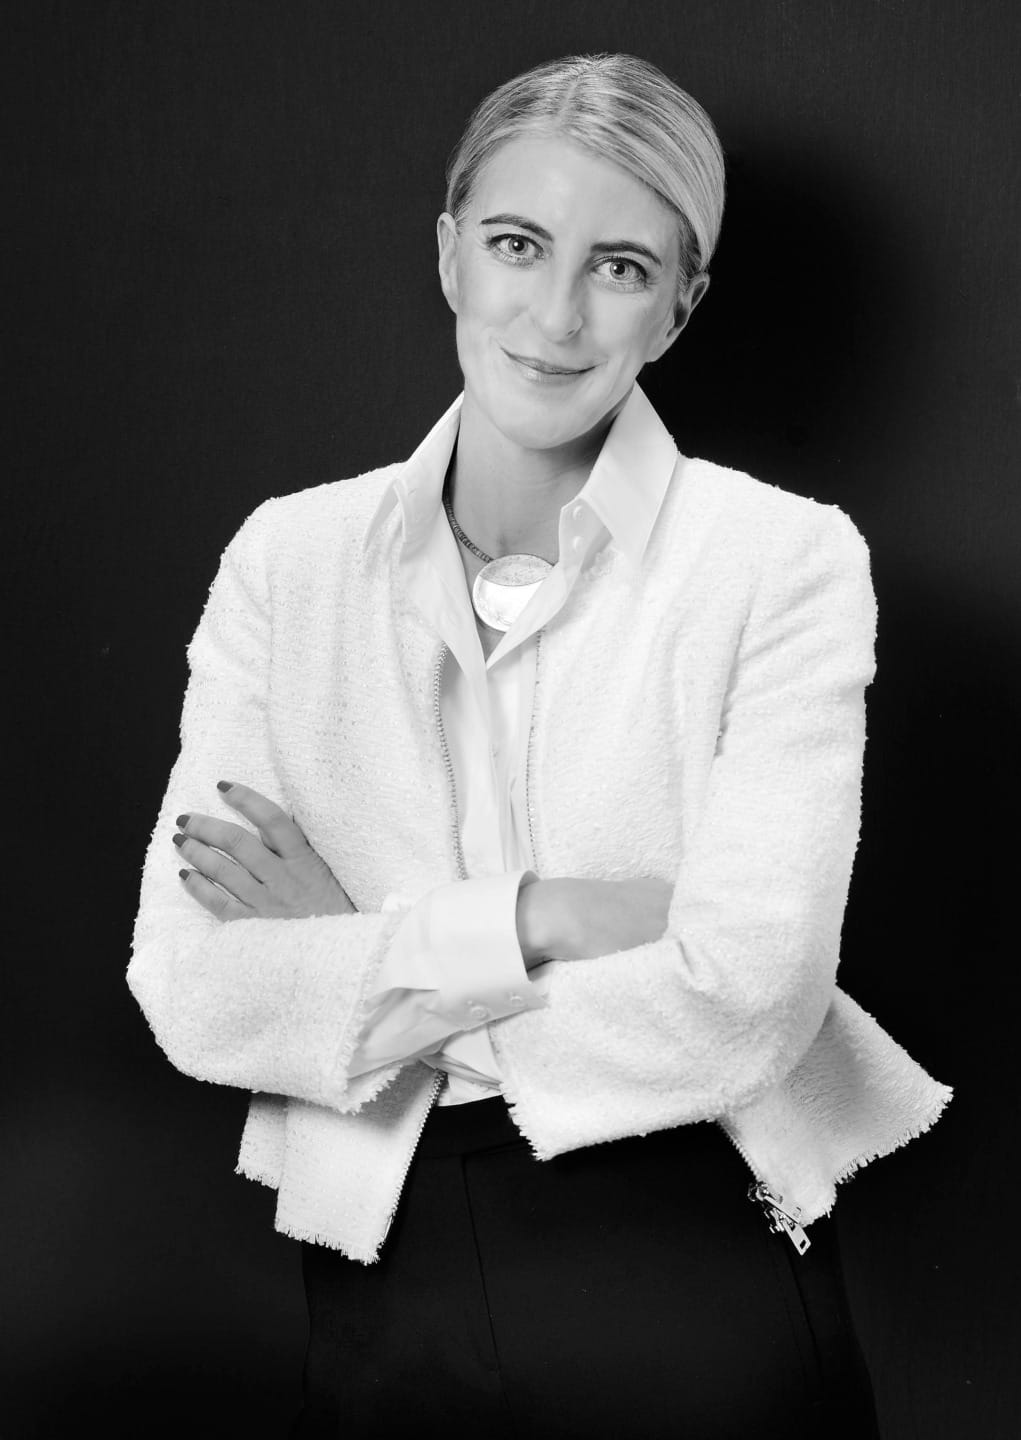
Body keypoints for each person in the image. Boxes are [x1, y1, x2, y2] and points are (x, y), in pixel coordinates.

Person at [128, 52, 952, 1439]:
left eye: (619, 266)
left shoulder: (780, 562)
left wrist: (355, 956)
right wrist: (549, 916)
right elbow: (196, 989)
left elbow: (749, 995)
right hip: (382, 1251)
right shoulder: (292, 555)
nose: (556, 314)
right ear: (451, 254)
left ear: (678, 308)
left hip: (688, 1226)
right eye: (518, 245)